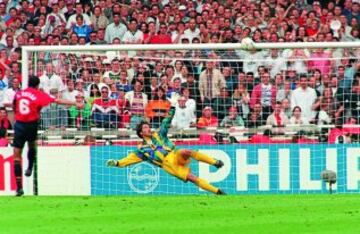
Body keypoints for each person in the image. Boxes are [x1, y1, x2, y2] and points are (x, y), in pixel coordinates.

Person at [106, 106, 226, 195]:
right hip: (168, 165)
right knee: (192, 178)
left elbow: (165, 122)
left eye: (148, 126)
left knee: (185, 151)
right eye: (146, 127)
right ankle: (218, 191)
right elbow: (129, 160)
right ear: (141, 133)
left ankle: (214, 162)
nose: (149, 128)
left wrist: (172, 111)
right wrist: (117, 163)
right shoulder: (141, 150)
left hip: (174, 153)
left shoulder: (158, 134)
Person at [13, 76, 83, 196]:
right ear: (37, 85)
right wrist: (75, 103)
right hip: (31, 125)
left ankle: (19, 187)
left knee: (16, 156)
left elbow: (14, 105)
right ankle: (30, 166)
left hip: (19, 125)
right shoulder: (39, 94)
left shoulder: (19, 93)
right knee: (32, 145)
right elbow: (57, 100)